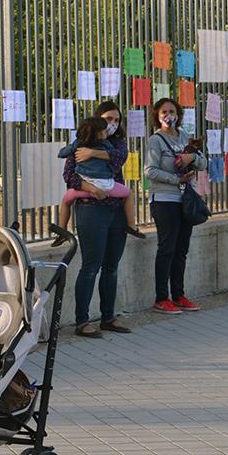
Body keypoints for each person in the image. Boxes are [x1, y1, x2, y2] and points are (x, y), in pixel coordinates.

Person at [61, 101, 137, 337]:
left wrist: (93, 153)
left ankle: (108, 317)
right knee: (91, 266)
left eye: (116, 120)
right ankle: (82, 321)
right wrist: (90, 187)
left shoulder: (117, 144)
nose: (112, 124)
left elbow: (118, 159)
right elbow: (69, 175)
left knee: (111, 267)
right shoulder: (79, 145)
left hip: (116, 210)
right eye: (107, 120)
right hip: (91, 210)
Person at [145, 98, 208, 314]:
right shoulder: (156, 140)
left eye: (172, 111)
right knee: (167, 248)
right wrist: (176, 180)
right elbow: (150, 171)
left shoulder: (183, 136)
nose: (168, 115)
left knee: (182, 249)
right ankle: (161, 298)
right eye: (164, 111)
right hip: (164, 200)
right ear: (157, 114)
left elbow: (203, 162)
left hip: (184, 200)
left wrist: (191, 157)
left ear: (178, 114)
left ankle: (179, 294)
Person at [54, 116, 144, 241]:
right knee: (128, 194)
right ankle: (132, 226)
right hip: (106, 186)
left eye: (116, 120)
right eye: (105, 127)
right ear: (98, 133)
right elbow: (118, 155)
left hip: (83, 187)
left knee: (65, 201)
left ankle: (62, 231)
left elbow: (63, 153)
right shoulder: (106, 144)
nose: (110, 128)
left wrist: (86, 152)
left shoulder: (78, 144)